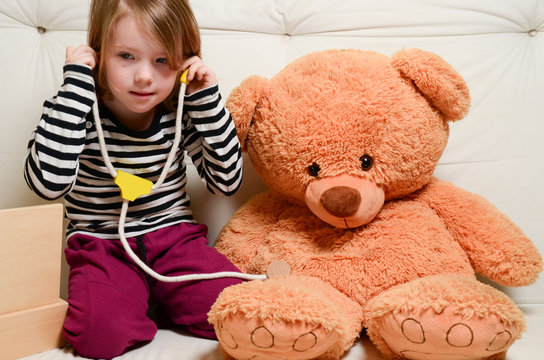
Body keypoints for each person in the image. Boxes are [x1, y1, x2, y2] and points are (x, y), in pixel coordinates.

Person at [23, 0, 243, 358]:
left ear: (184, 62)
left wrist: (206, 101)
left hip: (175, 241)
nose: (144, 76)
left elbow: (226, 183)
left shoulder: (180, 112)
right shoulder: (74, 108)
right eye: (126, 56)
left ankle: (161, 297)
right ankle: (133, 302)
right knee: (99, 335)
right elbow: (46, 184)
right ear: (98, 53)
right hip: (103, 244)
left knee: (236, 309)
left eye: (162, 60)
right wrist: (77, 86)